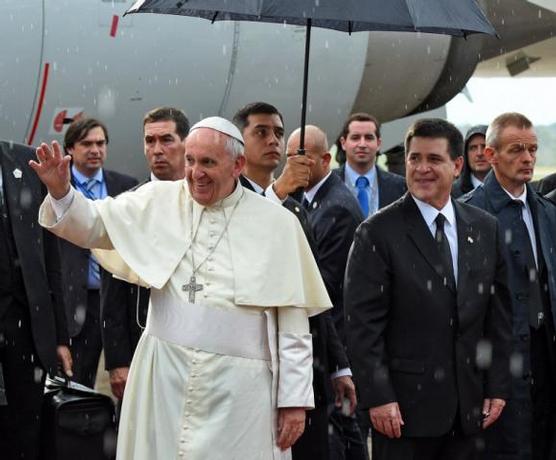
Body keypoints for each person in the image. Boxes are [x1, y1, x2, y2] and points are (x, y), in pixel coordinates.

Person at [31, 116, 331, 460]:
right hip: (164, 377)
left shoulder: (278, 224)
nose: (195, 173)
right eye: (190, 160)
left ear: (238, 165)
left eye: (208, 163)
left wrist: (293, 400)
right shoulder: (158, 199)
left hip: (241, 392)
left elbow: (294, 325)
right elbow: (93, 225)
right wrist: (61, 192)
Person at [346, 118, 512, 460]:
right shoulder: (376, 233)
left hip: (469, 414)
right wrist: (378, 396)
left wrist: (497, 385)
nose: (422, 168)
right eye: (414, 159)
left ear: (456, 166)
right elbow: (363, 327)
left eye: (433, 160)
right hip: (403, 415)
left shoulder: (484, 228)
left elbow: (498, 317)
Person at [233, 102, 355, 460]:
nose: (273, 140)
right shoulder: (227, 200)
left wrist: (338, 364)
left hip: (305, 361)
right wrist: (277, 194)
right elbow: (241, 248)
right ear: (240, 144)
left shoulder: (296, 209)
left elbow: (312, 294)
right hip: (256, 361)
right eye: (261, 132)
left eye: (278, 132)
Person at [463, 112, 556, 459]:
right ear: (490, 155)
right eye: (516, 149)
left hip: (545, 362)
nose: (528, 158)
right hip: (497, 371)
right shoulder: (468, 216)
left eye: (532, 149)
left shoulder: (547, 213)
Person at [287, 124, 368, 460]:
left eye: (300, 157)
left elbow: (325, 288)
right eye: (290, 157)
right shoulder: (307, 198)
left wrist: (336, 362)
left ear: (325, 159)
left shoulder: (335, 207)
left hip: (331, 340)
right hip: (323, 342)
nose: (293, 164)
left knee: (340, 435)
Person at [101, 107, 188, 401]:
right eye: (150, 141)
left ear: (186, 143)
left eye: (167, 140)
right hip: (142, 343)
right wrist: (117, 361)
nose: (157, 150)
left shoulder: (206, 201)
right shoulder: (129, 205)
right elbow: (111, 294)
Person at [0, 141, 72, 460]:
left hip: (26, 323)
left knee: (26, 428)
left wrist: (59, 335)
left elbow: (50, 255)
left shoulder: (25, 160)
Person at [59, 118, 137, 388]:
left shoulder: (126, 186)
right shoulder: (60, 188)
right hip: (79, 300)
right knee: (78, 384)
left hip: (117, 295)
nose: (95, 149)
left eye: (100, 143)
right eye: (87, 144)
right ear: (70, 149)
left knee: (128, 380)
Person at [334, 113, 406, 218]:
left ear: (378, 143)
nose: (362, 144)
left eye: (368, 138)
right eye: (355, 138)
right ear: (343, 143)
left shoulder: (400, 186)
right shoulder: (328, 183)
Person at [452, 125, 490, 198]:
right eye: (473, 148)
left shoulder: (509, 188)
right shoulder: (452, 192)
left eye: (484, 146)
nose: (479, 153)